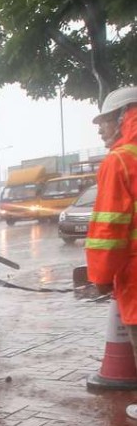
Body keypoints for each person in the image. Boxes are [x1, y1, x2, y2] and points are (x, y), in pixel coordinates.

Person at [85, 86, 137, 315]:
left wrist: (101, 278)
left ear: (124, 115)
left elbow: (108, 230)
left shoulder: (120, 161)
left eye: (105, 121)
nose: (100, 130)